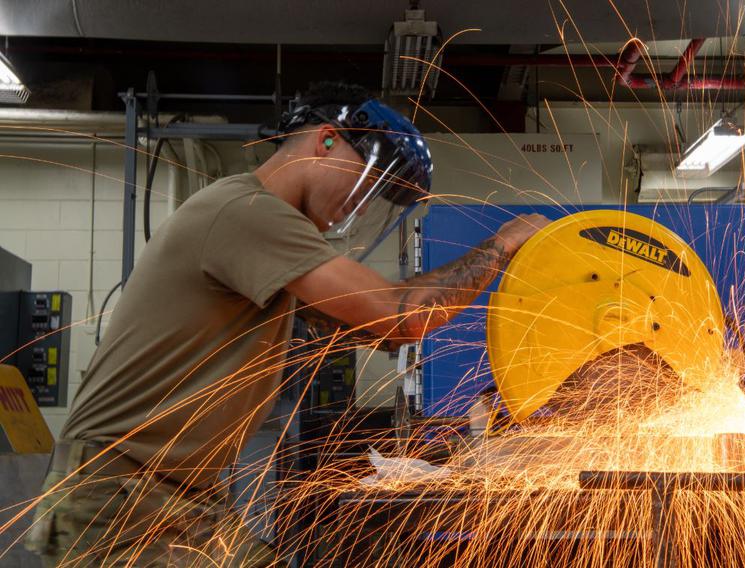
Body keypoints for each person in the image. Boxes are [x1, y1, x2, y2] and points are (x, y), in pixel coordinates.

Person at [24, 82, 548, 566]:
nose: (357, 207)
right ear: (325, 141)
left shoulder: (266, 237)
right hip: (123, 491)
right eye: (365, 187)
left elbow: (384, 326)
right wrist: (501, 245)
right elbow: (401, 316)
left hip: (178, 492)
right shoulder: (248, 211)